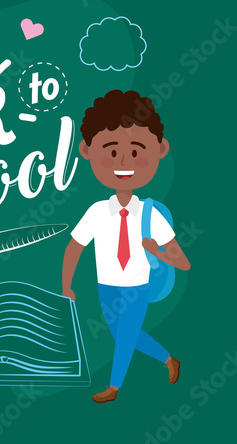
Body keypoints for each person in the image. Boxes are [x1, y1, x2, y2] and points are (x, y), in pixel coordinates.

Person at [62, 90, 190, 403]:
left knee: (124, 338)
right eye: (110, 150)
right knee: (123, 335)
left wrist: (155, 250)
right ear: (87, 150)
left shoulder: (151, 215)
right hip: (105, 285)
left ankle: (114, 387)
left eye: (135, 152)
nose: (122, 162)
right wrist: (67, 285)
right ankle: (168, 359)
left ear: (160, 150)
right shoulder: (95, 211)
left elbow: (182, 261)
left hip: (137, 285)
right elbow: (74, 247)